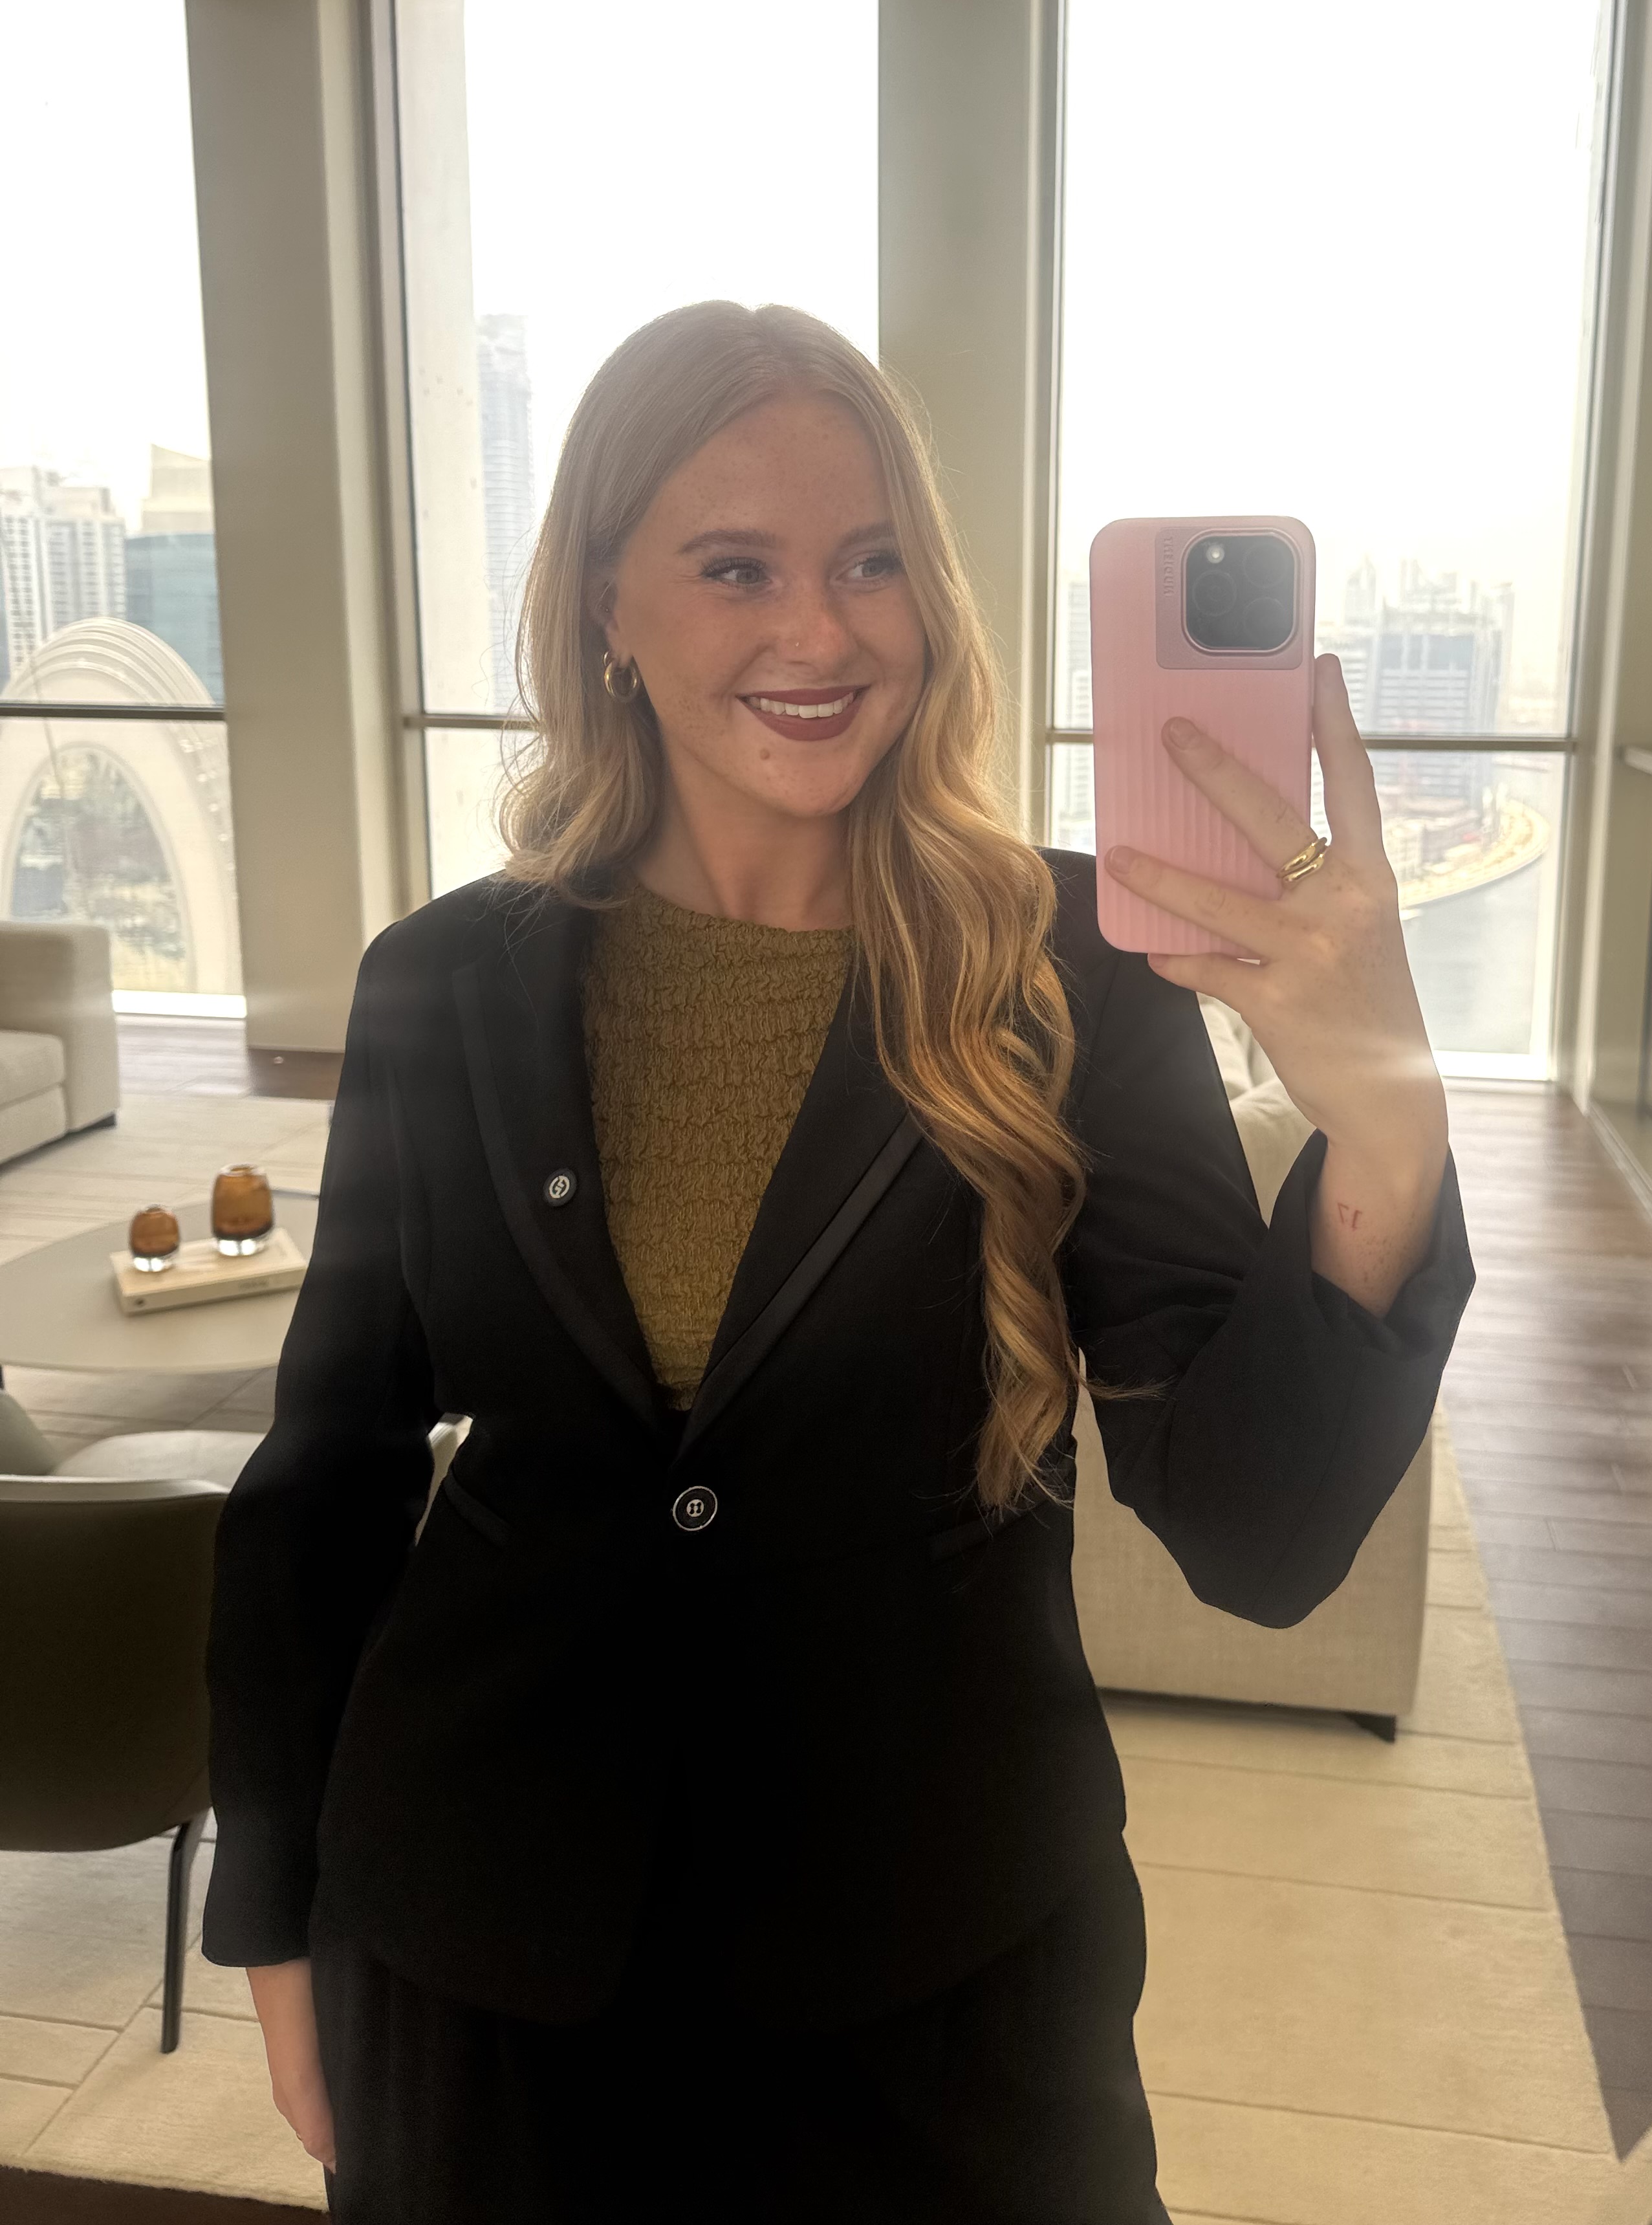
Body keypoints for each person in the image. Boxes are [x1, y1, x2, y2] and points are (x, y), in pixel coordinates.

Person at [202, 300, 1475, 2222]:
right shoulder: (445, 982)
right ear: (609, 605)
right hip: (479, 1952)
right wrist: (276, 1910)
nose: (821, 630)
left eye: (872, 562)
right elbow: (326, 1476)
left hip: (940, 1979)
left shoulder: (1072, 969)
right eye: (738, 568)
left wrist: (1382, 1125)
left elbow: (1256, 1537)